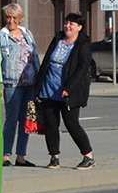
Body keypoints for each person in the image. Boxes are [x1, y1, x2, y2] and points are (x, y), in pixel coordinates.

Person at [34, 12, 95, 170]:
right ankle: (54, 157)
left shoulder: (83, 45)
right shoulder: (57, 40)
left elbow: (82, 69)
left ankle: (88, 156)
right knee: (51, 125)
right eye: (66, 23)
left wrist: (69, 88)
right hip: (49, 89)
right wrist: (38, 85)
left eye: (72, 24)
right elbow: (46, 61)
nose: (68, 26)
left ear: (79, 27)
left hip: (69, 92)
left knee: (72, 124)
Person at [0, 3, 38, 167]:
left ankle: (21, 156)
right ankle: (5, 155)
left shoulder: (27, 33)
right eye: (8, 17)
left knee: (26, 121)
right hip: (12, 84)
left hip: (30, 84)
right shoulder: (2, 36)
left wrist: (40, 79)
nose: (11, 20)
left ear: (20, 19)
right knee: (11, 120)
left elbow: (35, 57)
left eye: (14, 17)